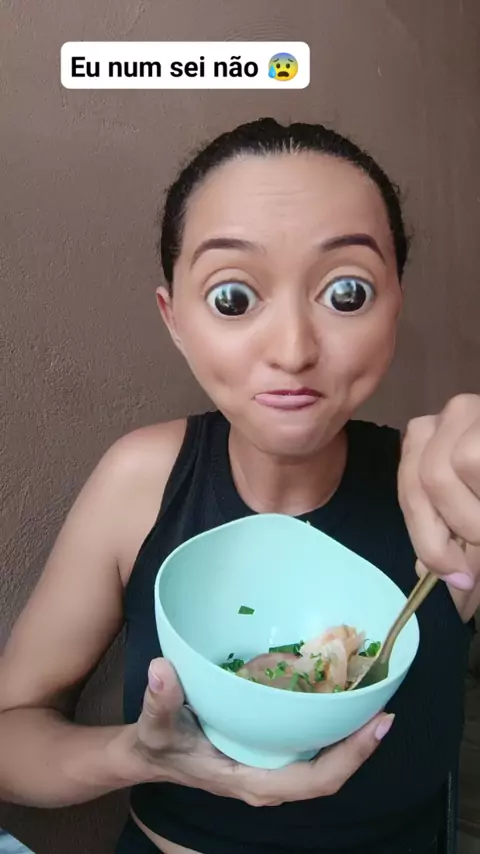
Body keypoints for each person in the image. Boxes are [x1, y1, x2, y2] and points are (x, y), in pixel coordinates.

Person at [0, 118, 479, 854]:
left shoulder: (448, 507)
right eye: (232, 298)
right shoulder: (140, 481)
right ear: (176, 320)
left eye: (347, 292)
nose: (292, 350)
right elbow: (9, 734)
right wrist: (136, 755)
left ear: (395, 303)